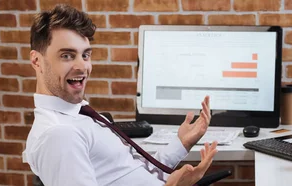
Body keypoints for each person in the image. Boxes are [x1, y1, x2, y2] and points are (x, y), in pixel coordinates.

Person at [22, 4, 217, 186]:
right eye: (67, 56)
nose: (82, 66)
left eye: (85, 55)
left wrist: (181, 143)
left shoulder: (77, 113)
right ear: (37, 61)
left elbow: (132, 173)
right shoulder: (59, 135)